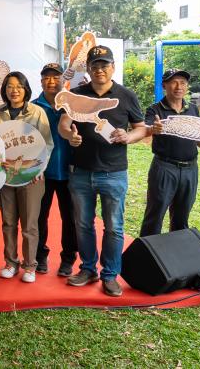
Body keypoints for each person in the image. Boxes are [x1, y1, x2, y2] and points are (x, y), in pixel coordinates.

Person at [58, 46, 146, 297]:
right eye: (95, 65)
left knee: (114, 226)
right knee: (83, 224)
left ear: (113, 67)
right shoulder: (75, 94)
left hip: (114, 172)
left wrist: (128, 136)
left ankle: (110, 275)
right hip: (81, 172)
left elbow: (141, 128)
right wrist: (70, 136)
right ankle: (88, 269)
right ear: (88, 68)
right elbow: (64, 124)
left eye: (104, 65)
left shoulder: (126, 95)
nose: (99, 70)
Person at [140, 69, 200, 236]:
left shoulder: (192, 109)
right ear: (164, 85)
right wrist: (153, 129)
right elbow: (145, 131)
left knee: (182, 217)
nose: (179, 87)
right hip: (164, 168)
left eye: (183, 83)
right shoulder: (155, 110)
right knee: (155, 216)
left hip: (190, 170)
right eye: (174, 82)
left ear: (187, 86)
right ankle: (146, 251)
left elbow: (199, 139)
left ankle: (176, 250)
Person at [0, 72, 53, 284]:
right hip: (6, 177)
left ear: (26, 89)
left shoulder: (37, 112)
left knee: (29, 224)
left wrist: (38, 170)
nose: (14, 90)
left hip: (31, 177)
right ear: (5, 90)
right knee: (8, 222)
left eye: (19, 86)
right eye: (10, 86)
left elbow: (47, 144)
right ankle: (11, 263)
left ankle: (30, 265)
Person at [32, 63, 77, 277]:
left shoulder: (73, 105)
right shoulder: (33, 107)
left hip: (71, 171)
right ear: (41, 81)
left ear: (63, 80)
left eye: (56, 77)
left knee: (71, 217)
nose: (51, 81)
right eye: (47, 77)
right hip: (42, 173)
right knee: (39, 216)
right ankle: (40, 255)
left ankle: (68, 258)